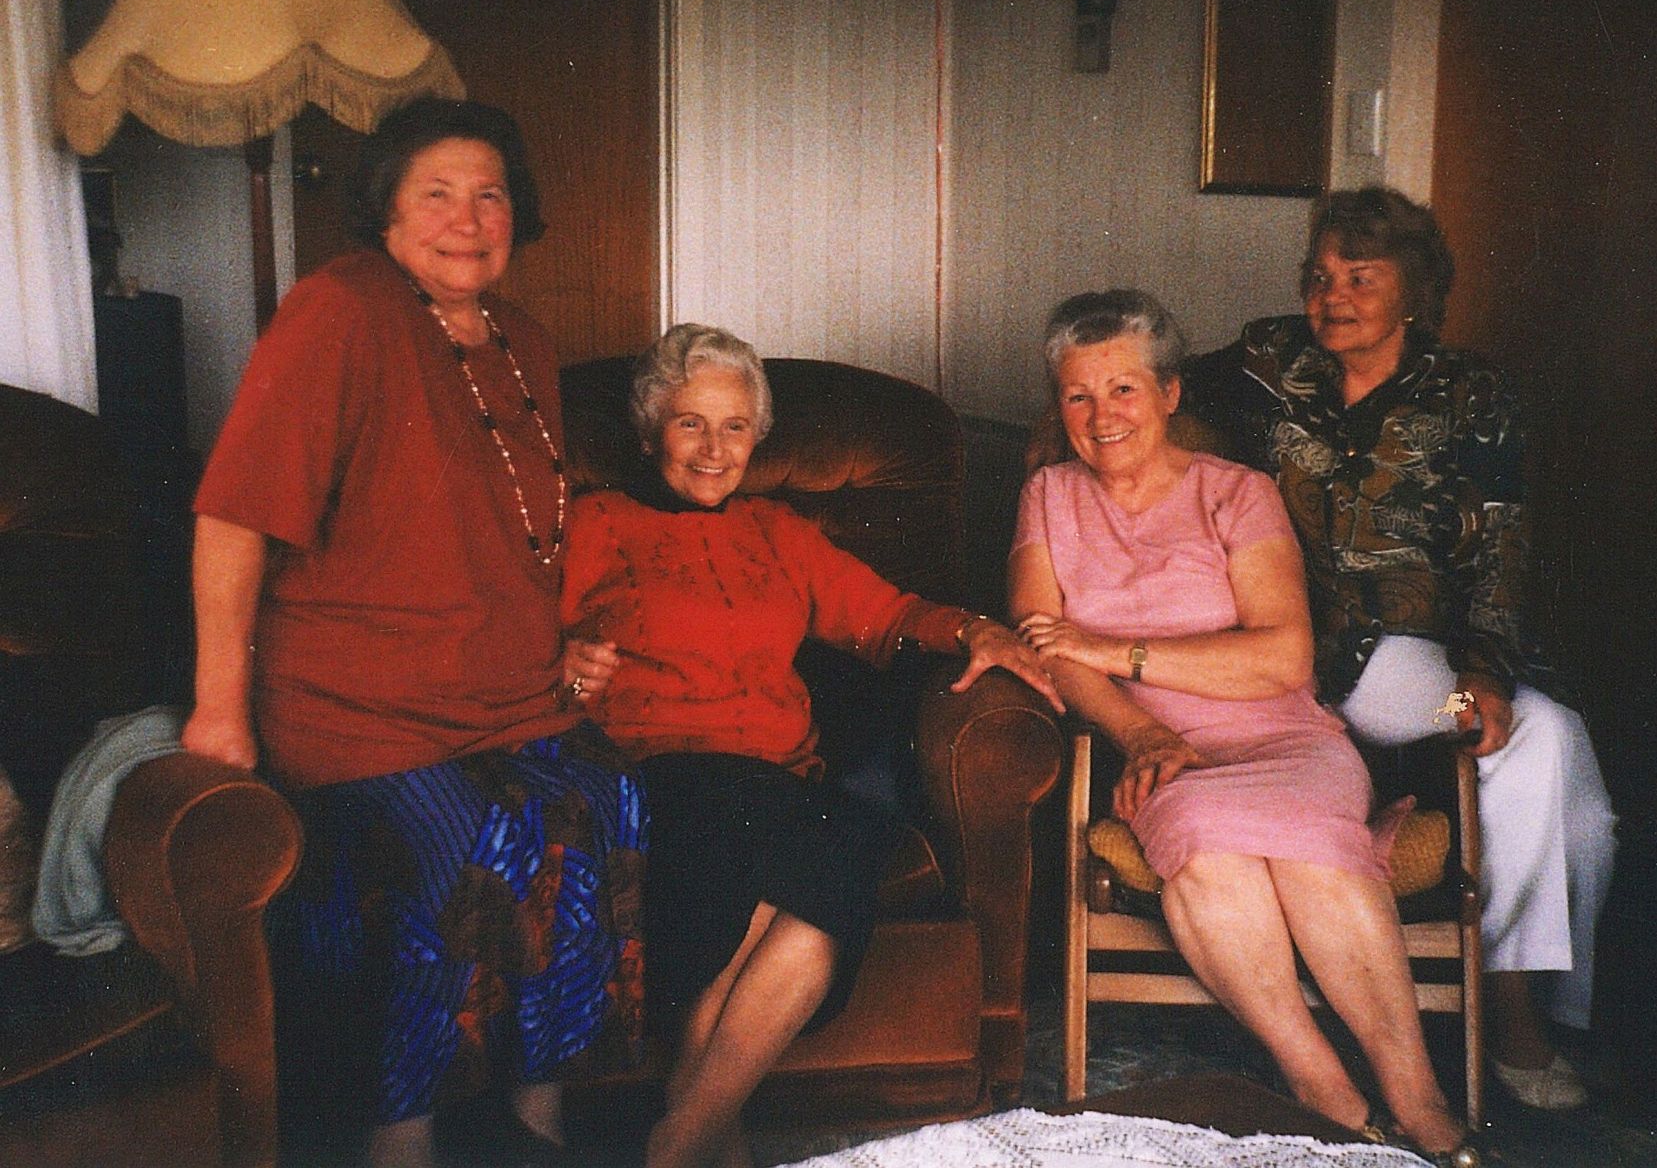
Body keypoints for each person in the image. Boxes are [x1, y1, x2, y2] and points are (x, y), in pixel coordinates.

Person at [183, 97, 644, 1167]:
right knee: (472, 838)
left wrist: (569, 639)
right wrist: (217, 708)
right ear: (384, 209)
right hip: (362, 707)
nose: (467, 216)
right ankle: (403, 1138)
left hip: (507, 696)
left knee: (607, 805)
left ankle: (539, 1123)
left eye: (489, 192)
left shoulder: (524, 340)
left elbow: (516, 536)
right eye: (435, 191)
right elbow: (232, 514)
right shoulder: (338, 310)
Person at [559, 323, 1064, 1168]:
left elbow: (886, 616)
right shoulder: (597, 524)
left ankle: (677, 1142)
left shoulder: (778, 531)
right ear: (651, 433)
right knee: (786, 875)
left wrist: (977, 629)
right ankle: (703, 1145)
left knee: (834, 854)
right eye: (690, 423)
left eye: (733, 427)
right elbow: (524, 652)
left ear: (757, 438)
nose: (713, 449)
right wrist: (568, 670)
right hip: (658, 768)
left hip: (776, 776)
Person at [1011, 290, 1476, 1162]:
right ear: (1056, 408)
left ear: (1169, 395)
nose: (1102, 415)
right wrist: (1139, 732)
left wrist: (1114, 647)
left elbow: (1280, 661)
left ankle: (1418, 1100)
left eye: (1123, 389)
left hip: (1285, 739)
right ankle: (1321, 1086)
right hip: (1164, 756)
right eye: (1078, 395)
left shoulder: (1239, 493)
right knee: (1201, 832)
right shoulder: (1047, 496)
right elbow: (1048, 648)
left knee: (1302, 842)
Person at [1182, 187, 1617, 1112]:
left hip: (1436, 664)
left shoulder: (1472, 394)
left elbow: (1500, 546)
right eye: (1318, 276)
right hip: (1332, 657)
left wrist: (1482, 679)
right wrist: (1067, 430)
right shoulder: (1269, 358)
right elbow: (1157, 382)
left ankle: (1512, 997)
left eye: (1359, 277)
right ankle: (1517, 1012)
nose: (1329, 296)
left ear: (1415, 290)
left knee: (1545, 757)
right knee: (1548, 752)